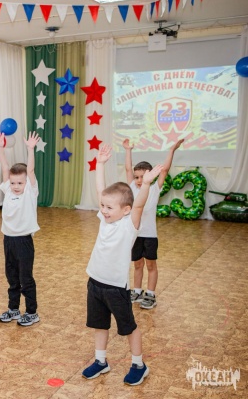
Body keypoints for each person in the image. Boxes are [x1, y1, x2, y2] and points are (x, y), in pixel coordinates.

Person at [82, 144, 163, 386]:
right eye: (103, 206)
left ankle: (139, 364)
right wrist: (100, 164)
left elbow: (139, 205)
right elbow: (101, 191)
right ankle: (100, 361)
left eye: (109, 207)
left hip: (116, 288)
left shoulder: (130, 225)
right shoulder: (104, 220)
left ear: (125, 210)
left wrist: (146, 184)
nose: (104, 210)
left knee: (128, 327)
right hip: (95, 282)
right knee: (99, 324)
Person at [123, 138, 184, 309]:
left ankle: (150, 294)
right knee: (137, 264)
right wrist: (128, 150)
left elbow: (165, 169)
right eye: (137, 177)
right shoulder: (132, 187)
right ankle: (137, 291)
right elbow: (128, 168)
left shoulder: (155, 188)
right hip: (135, 234)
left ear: (151, 175)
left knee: (150, 265)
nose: (139, 180)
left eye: (142, 176)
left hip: (149, 235)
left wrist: (172, 149)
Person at [0, 132, 41, 327]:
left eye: (19, 183)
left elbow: (30, 170)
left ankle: (31, 312)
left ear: (26, 183)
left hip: (23, 241)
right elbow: (5, 168)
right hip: (8, 240)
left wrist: (30, 149)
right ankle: (13, 309)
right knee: (12, 277)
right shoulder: (8, 189)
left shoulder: (30, 192)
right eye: (13, 183)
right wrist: (0, 149)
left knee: (25, 278)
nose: (15, 186)